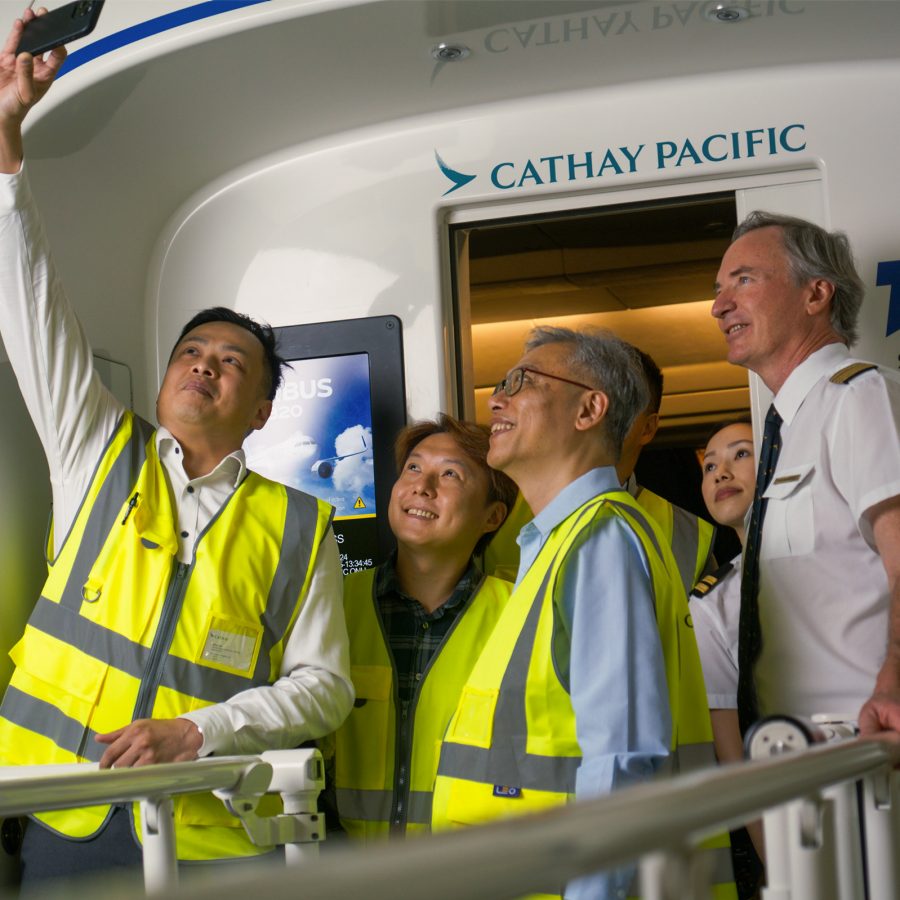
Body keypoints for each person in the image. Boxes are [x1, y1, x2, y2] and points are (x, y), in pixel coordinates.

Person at [0, 11, 352, 880]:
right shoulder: (96, 450)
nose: (204, 368)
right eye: (190, 353)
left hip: (214, 834)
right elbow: (30, 303)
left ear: (264, 408)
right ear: (164, 380)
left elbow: (326, 686)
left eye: (232, 362)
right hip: (63, 813)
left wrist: (202, 730)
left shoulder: (299, 526)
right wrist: (7, 146)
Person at [431, 326, 734, 900]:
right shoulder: (556, 541)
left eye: (521, 382)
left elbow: (622, 758)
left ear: (590, 409)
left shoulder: (600, 539)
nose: (497, 399)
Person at [712, 211, 900, 736]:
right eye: (719, 288)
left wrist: (895, 684)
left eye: (743, 280)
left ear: (816, 295)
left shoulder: (859, 398)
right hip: (799, 769)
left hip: (872, 752)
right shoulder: (786, 431)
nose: (718, 306)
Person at [326, 414, 516, 840]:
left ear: (493, 517)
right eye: (414, 467)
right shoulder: (331, 604)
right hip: (348, 877)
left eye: (450, 474)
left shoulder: (519, 617)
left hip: (469, 876)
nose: (422, 486)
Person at [691, 419, 764, 898]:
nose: (720, 473)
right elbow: (733, 751)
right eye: (710, 465)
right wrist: (776, 863)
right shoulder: (711, 603)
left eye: (740, 454)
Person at [618, 348, 716, 594]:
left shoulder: (689, 534)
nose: (596, 413)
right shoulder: (520, 507)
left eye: (617, 403)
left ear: (647, 428)